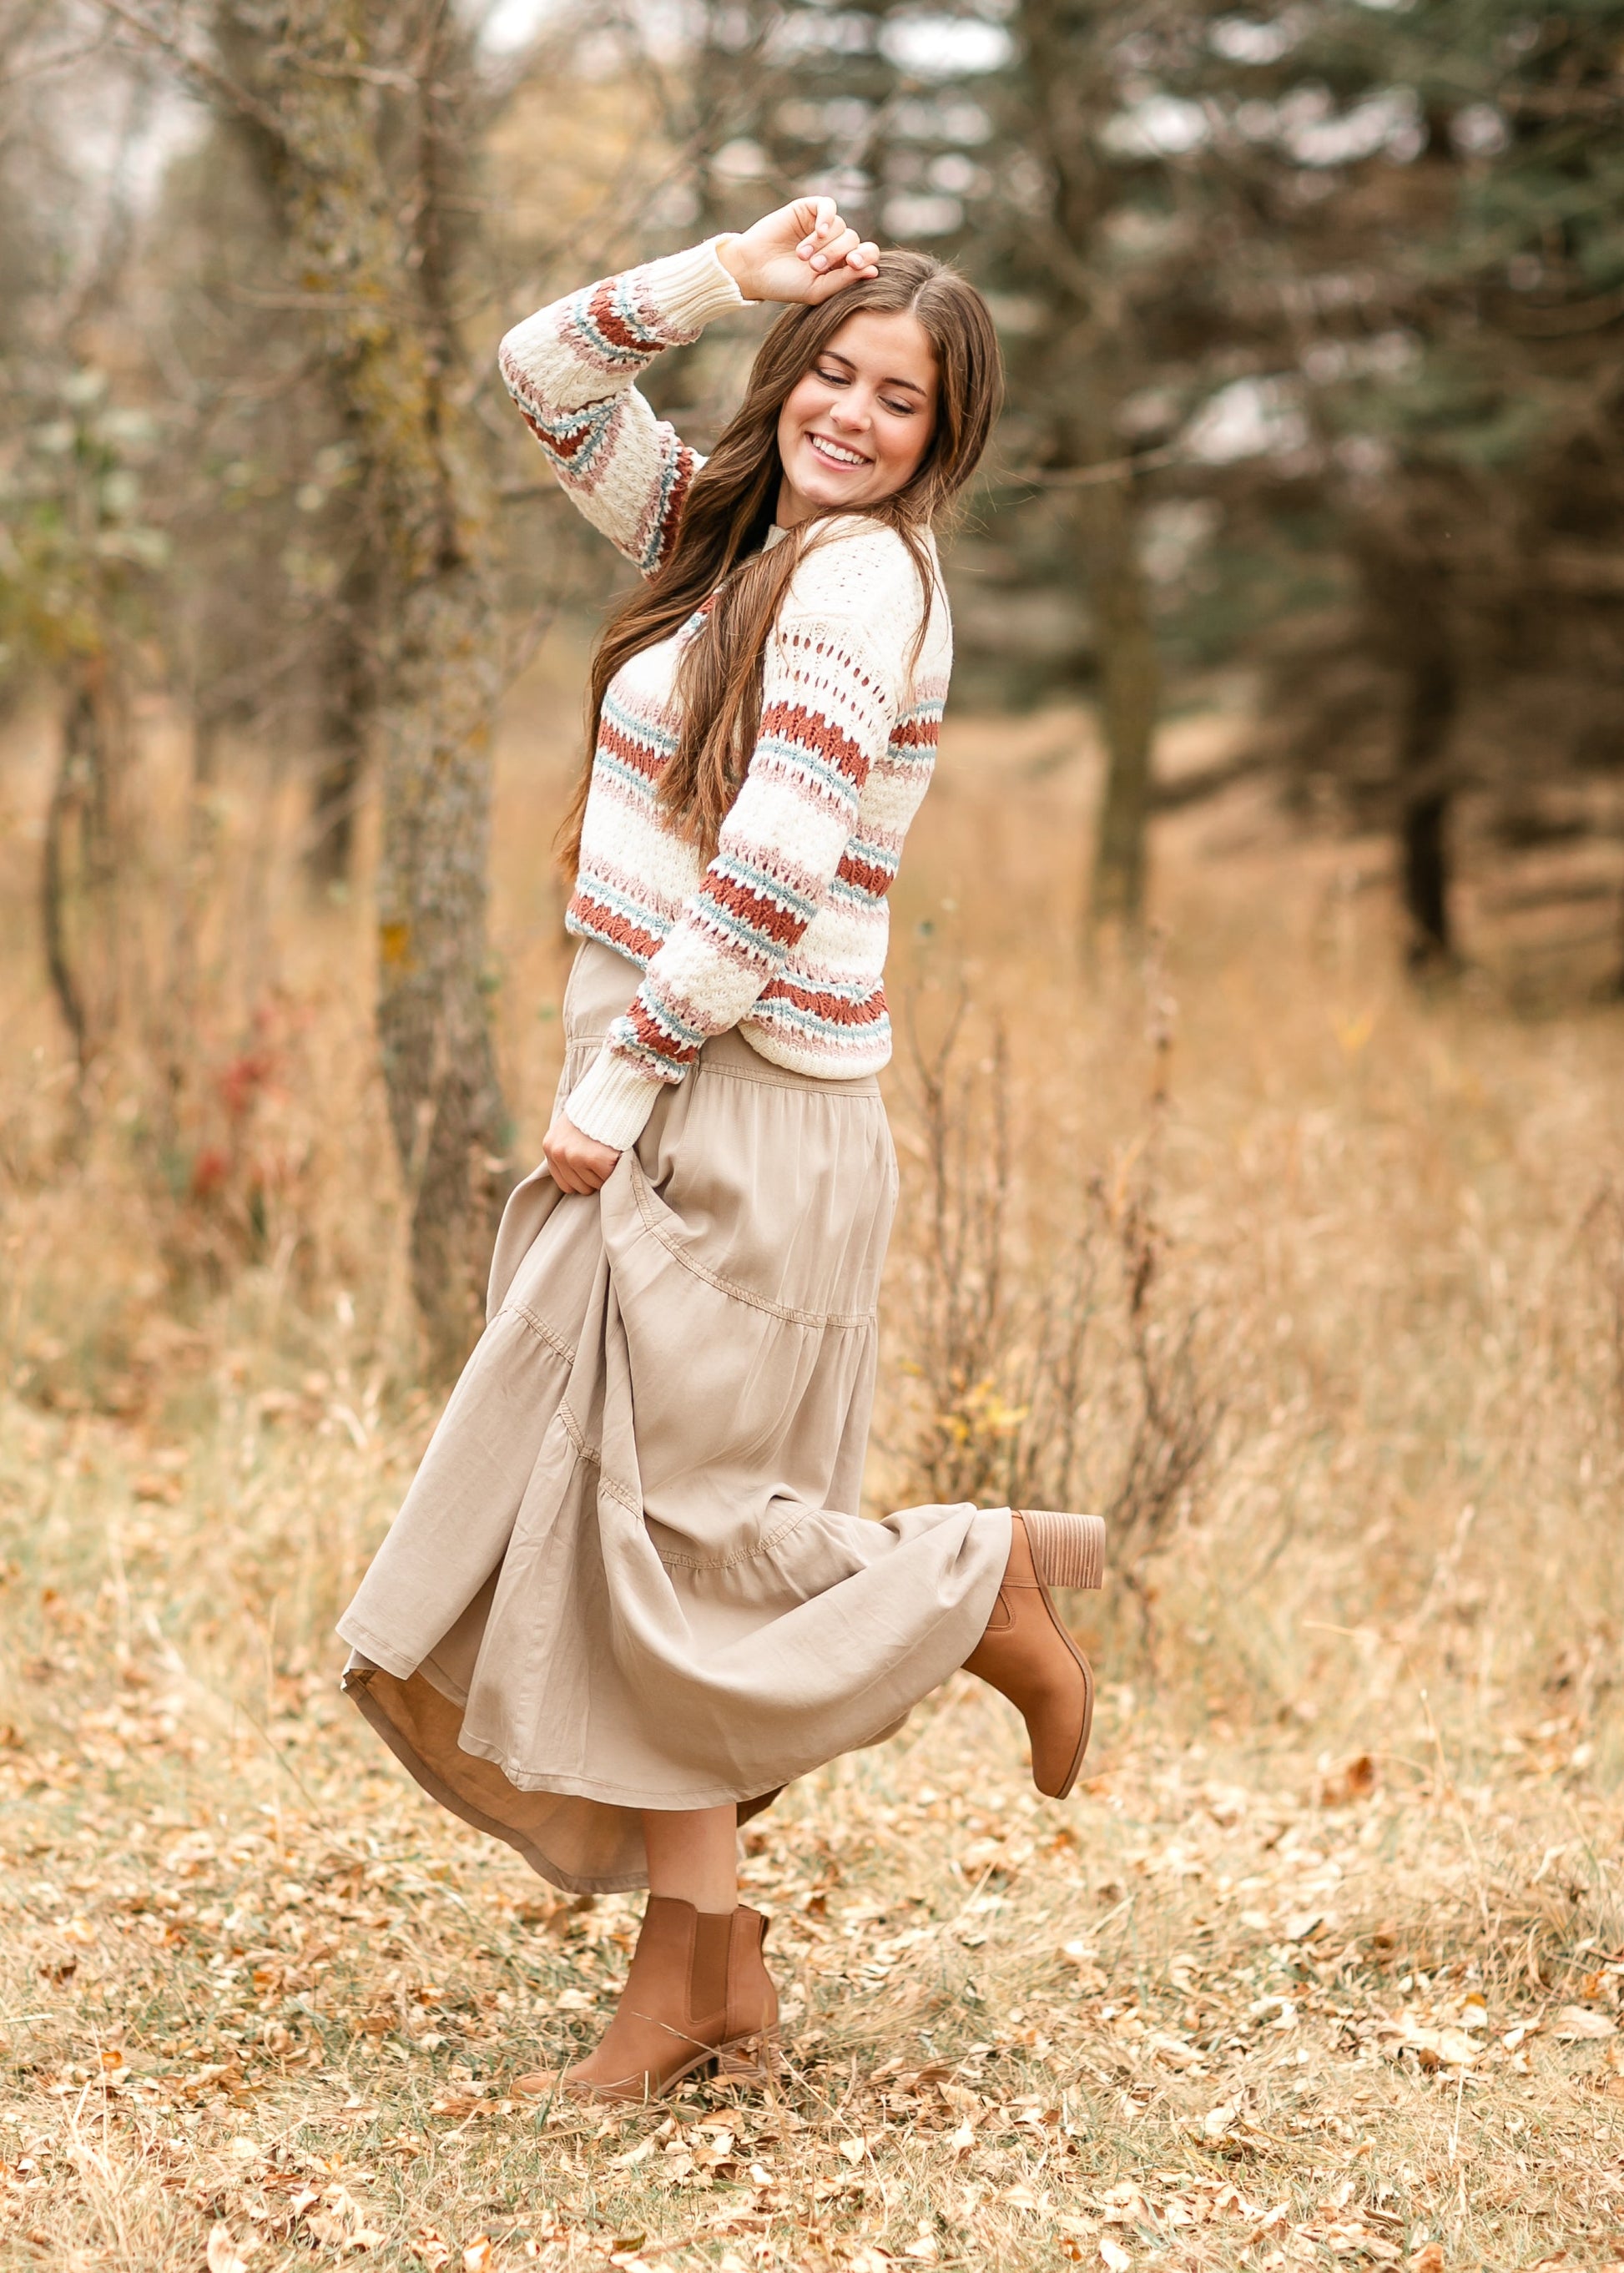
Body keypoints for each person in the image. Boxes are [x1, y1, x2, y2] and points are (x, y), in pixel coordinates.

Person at [335, 198, 1106, 2104]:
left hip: (739, 1101)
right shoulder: (726, 531)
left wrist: (619, 1086)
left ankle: (969, 1575)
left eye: (898, 397)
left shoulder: (861, 590)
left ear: (948, 433)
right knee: (629, 1533)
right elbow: (540, 375)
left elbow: (766, 877)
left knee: (670, 1537)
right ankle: (709, 1979)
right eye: (834, 372)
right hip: (676, 1073)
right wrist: (724, 274)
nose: (854, 412)